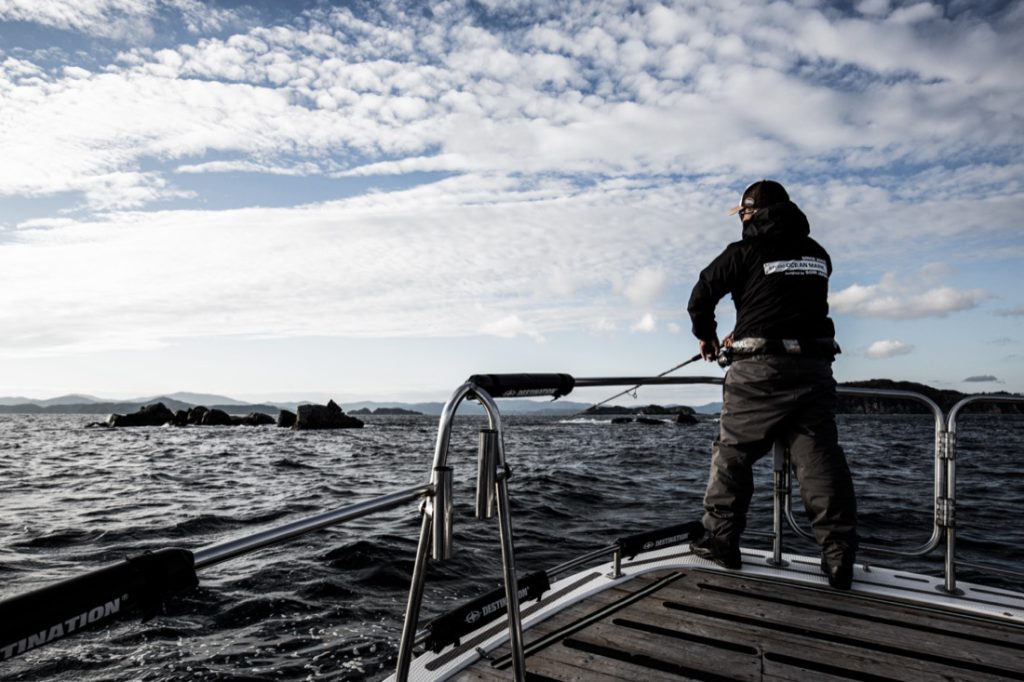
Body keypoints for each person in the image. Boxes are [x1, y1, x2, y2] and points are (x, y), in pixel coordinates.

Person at [686, 179, 858, 589]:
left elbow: (700, 297)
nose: (741, 220)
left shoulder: (743, 252)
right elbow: (782, 300)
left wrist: (708, 337)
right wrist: (749, 325)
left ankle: (721, 540)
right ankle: (839, 557)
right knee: (819, 459)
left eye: (742, 214)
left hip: (759, 373)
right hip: (814, 368)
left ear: (750, 214)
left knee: (734, 452)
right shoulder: (818, 255)